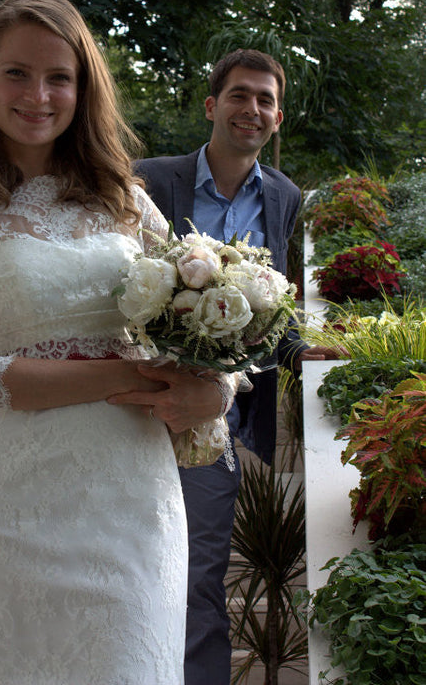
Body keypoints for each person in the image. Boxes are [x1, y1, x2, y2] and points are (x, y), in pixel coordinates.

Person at [0, 0, 231, 685]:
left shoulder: (128, 202)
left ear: (83, 90)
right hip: (11, 511)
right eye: (16, 73)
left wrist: (218, 390)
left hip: (131, 500)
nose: (38, 94)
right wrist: (121, 377)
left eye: (59, 76)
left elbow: (202, 329)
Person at [134, 48, 338, 685]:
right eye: (240, 95)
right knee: (128, 569)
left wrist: (306, 349)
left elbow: (272, 307)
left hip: (214, 419)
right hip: (127, 402)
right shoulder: (147, 179)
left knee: (200, 573)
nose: (252, 109)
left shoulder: (284, 196)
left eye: (266, 100)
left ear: (278, 118)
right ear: (212, 105)